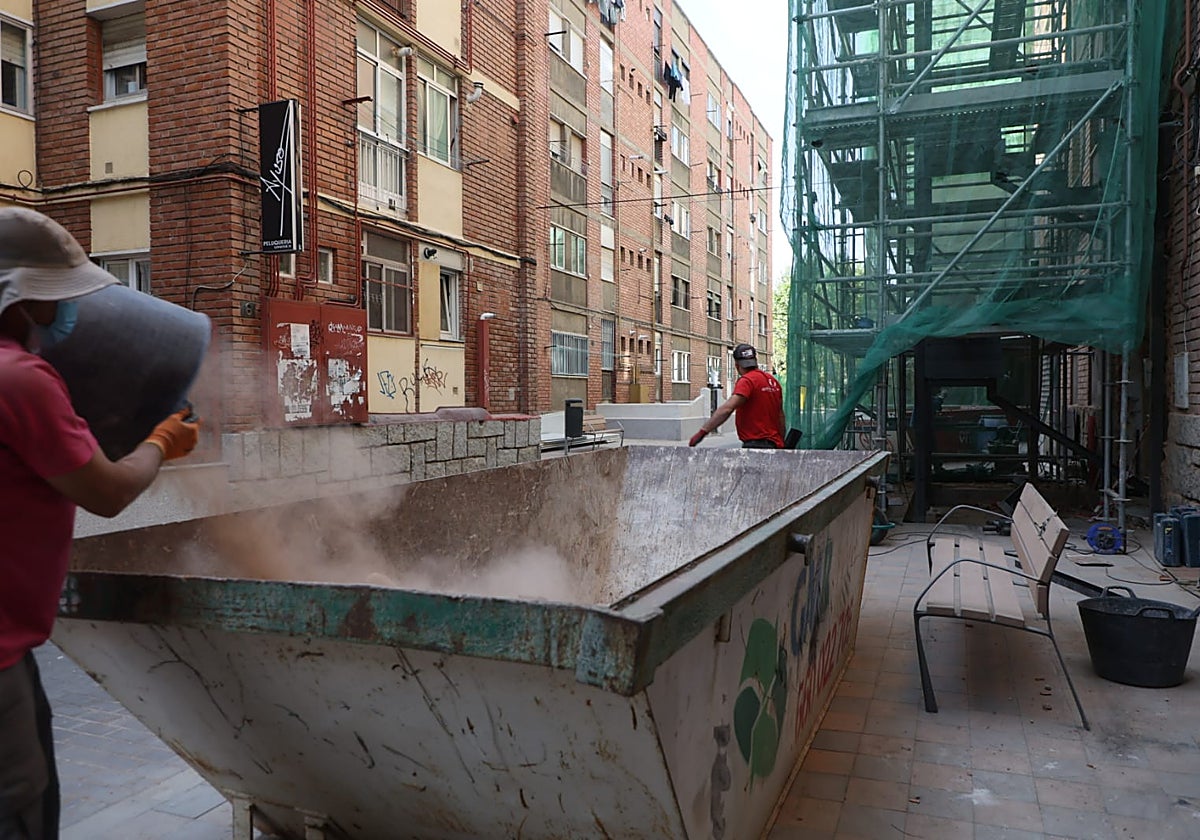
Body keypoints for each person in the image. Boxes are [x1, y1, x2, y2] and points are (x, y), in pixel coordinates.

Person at [0, 207, 200, 840]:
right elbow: (108, 493)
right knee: (21, 814)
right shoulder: (20, 380)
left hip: (11, 649)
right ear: (23, 300)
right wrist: (163, 442)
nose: (64, 315)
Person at [689, 343, 785, 449]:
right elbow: (780, 415)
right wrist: (782, 442)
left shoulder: (747, 381)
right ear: (755, 361)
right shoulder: (773, 381)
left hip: (756, 445)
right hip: (775, 444)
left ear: (737, 365)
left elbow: (727, 409)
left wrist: (702, 432)